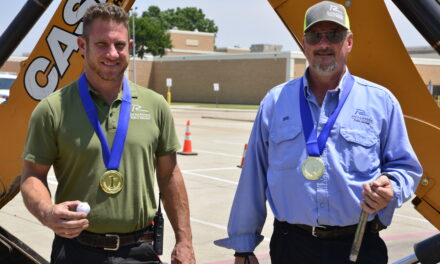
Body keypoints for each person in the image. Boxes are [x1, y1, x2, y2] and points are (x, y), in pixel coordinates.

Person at [214, 1, 422, 263]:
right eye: (315, 36)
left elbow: (406, 168)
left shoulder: (381, 102)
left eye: (333, 35)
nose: (324, 44)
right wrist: (243, 247)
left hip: (359, 246)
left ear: (349, 42)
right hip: (292, 247)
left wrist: (392, 187)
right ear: (304, 43)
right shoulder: (276, 102)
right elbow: (253, 176)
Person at [20, 3, 195, 264]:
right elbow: (33, 175)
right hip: (76, 251)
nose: (112, 53)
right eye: (102, 44)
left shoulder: (155, 105)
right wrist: (46, 212)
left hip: (140, 251)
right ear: (82, 46)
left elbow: (169, 174)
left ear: (130, 46)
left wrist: (185, 241)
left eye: (120, 45)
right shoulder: (52, 109)